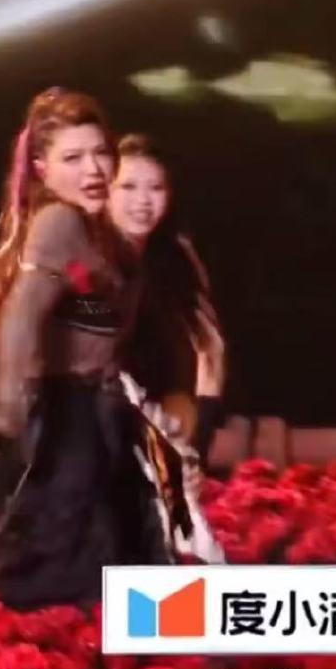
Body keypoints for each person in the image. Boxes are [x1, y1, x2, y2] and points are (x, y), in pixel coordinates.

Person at [0, 88, 170, 610]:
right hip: (64, 420)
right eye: (73, 158)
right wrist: (5, 405)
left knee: (115, 560)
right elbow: (21, 314)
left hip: (93, 413)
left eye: (101, 152)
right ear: (42, 168)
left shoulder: (91, 229)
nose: (94, 169)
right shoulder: (59, 221)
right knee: (69, 567)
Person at [108, 134, 227, 563]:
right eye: (128, 187)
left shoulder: (176, 258)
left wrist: (194, 452)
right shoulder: (85, 260)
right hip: (103, 430)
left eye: (155, 187)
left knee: (191, 555)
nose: (143, 201)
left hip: (167, 430)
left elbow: (210, 350)